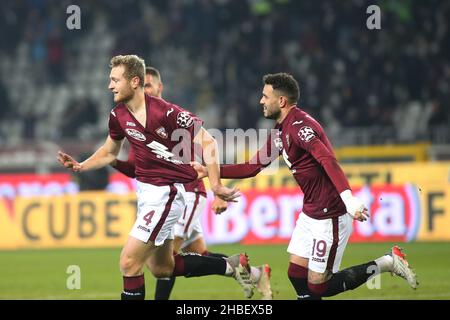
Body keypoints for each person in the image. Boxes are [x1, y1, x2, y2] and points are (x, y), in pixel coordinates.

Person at [192, 73, 418, 300]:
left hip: (330, 214)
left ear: (281, 101)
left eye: (265, 96)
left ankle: (388, 262)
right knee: (296, 274)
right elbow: (252, 167)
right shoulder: (280, 131)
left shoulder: (300, 127)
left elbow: (327, 159)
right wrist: (210, 169)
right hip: (311, 212)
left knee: (319, 285)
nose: (261, 101)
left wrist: (349, 199)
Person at [57, 54, 255, 300]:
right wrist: (81, 166)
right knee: (162, 268)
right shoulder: (118, 115)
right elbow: (109, 152)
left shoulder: (167, 113)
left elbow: (209, 142)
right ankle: (231, 266)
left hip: (167, 194)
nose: (110, 86)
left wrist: (215, 185)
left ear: (135, 82)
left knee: (129, 262)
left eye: (115, 80)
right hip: (146, 195)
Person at [111, 66, 272, 300]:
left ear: (159, 87)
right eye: (141, 85)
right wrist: (110, 160)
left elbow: (206, 151)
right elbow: (135, 168)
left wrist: (217, 190)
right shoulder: (136, 122)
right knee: (196, 254)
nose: (144, 89)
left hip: (187, 193)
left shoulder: (171, 116)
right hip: (167, 194)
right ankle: (252, 272)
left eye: (148, 85)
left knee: (164, 263)